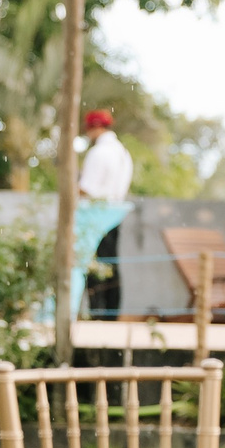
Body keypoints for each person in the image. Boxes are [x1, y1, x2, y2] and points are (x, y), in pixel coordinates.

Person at [77, 109, 132, 318]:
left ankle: (98, 313)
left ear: (94, 127)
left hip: (96, 215)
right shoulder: (122, 152)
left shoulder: (99, 152)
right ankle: (110, 313)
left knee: (95, 266)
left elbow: (87, 188)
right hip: (114, 214)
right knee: (111, 264)